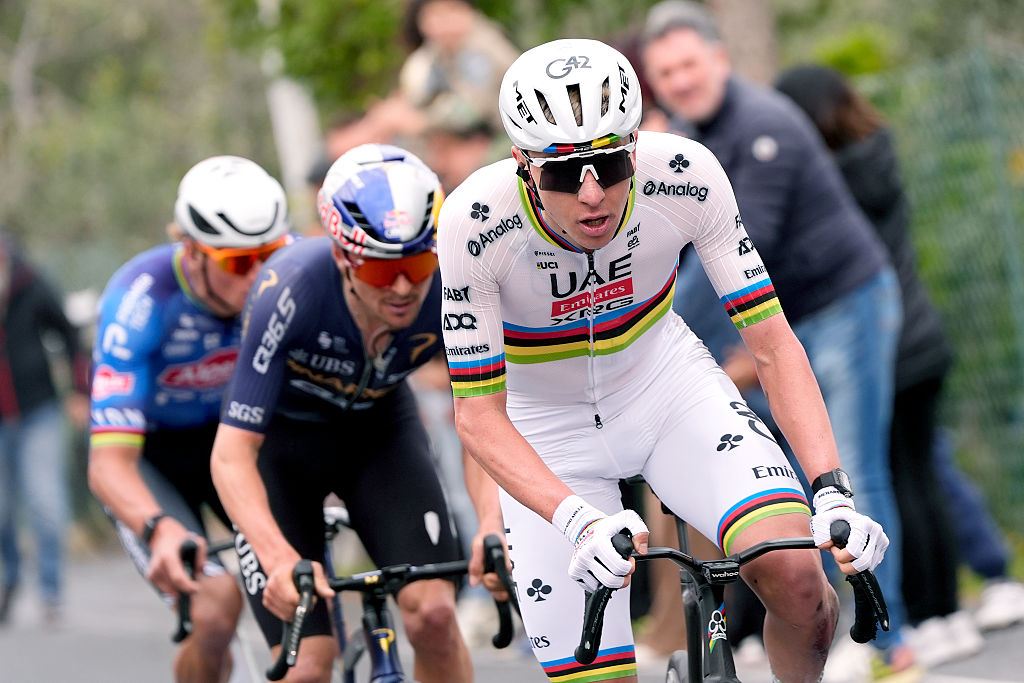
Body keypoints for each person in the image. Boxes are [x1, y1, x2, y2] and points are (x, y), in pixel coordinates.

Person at [437, 37, 890, 683]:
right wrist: (575, 520)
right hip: (546, 427)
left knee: (798, 579)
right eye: (564, 173)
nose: (592, 194)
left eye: (610, 164)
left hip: (665, 388)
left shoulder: (685, 173)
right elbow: (478, 414)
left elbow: (771, 343)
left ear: (635, 146)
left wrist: (832, 491)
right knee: (597, 674)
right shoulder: (474, 223)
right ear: (522, 165)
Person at [638, 2, 911, 675]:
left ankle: (885, 643)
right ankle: (804, 625)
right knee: (779, 483)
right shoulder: (688, 137)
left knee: (847, 473)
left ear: (720, 58)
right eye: (666, 72)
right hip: (786, 326)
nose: (680, 81)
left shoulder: (763, 125)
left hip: (844, 306)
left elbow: (728, 256)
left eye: (689, 64)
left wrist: (649, 328)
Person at [209, 143, 503, 683]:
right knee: (307, 665)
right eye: (380, 270)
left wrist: (491, 522)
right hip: (283, 452)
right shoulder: (289, 288)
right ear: (343, 256)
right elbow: (231, 454)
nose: (403, 287)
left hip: (379, 436)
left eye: (418, 264)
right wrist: (275, 557)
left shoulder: (454, 285)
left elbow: (482, 416)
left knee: (435, 616)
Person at [774, 63, 988, 668]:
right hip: (923, 339)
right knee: (923, 474)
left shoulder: (830, 180)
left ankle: (921, 614)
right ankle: (945, 610)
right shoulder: (877, 155)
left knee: (893, 477)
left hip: (888, 345)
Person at [87, 156, 291, 682]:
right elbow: (108, 465)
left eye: (269, 255)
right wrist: (157, 528)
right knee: (216, 607)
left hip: (234, 442)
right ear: (192, 251)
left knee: (302, 589)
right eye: (238, 263)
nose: (260, 275)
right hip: (152, 455)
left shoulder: (291, 278)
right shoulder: (140, 299)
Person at [0, 231, 90, 626]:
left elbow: (69, 335)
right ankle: (9, 579)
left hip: (38, 411)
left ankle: (51, 591)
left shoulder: (30, 282)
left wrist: (79, 391)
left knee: (46, 504)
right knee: (2, 511)